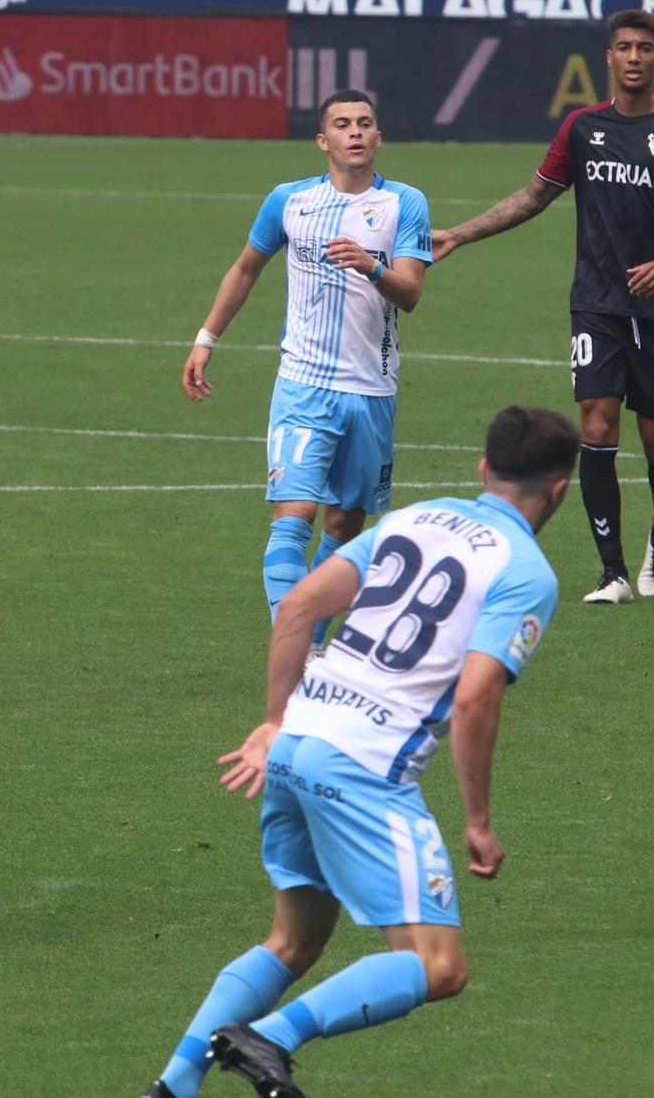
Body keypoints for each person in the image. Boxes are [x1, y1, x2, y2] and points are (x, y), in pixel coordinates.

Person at [142, 406, 577, 1098]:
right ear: (559, 490)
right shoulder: (526, 572)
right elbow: (475, 697)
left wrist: (272, 721)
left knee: (294, 940)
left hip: (295, 746)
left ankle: (171, 1086)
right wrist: (478, 819)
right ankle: (270, 1038)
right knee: (439, 966)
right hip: (365, 768)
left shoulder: (415, 517)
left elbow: (297, 608)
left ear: (483, 469)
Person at [431, 9, 654, 605]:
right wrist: (459, 234)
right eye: (624, 47)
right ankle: (611, 572)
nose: (635, 56)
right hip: (595, 302)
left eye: (645, 47)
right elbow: (535, 194)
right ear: (609, 57)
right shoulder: (582, 128)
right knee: (596, 423)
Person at [182, 90, 432, 653]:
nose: (356, 133)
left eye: (366, 123)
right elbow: (246, 268)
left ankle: (314, 643)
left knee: (344, 531)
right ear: (323, 141)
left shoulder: (405, 204)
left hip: (372, 392)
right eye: (342, 125)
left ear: (378, 137)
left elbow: (411, 293)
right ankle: (293, 652)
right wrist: (206, 339)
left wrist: (371, 267)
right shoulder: (288, 201)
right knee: (291, 520)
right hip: (303, 386)